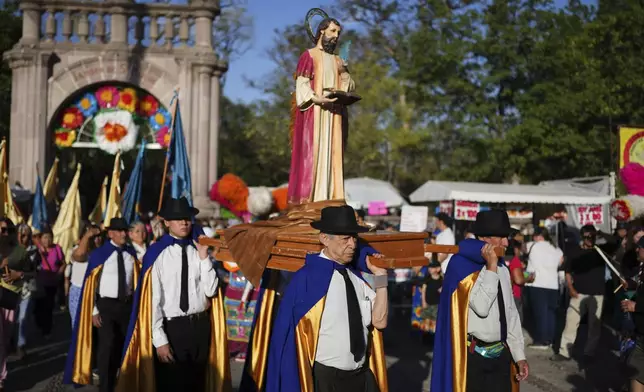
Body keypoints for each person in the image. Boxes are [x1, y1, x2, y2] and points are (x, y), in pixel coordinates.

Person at [266, 205, 389, 392]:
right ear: (324, 239)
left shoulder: (358, 278)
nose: (353, 244)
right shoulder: (306, 280)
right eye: (345, 239)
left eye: (354, 238)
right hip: (326, 380)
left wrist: (381, 278)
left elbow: (380, 322)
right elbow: (286, 341)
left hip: (362, 377)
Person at [117, 197, 231, 392]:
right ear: (167, 222)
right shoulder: (157, 254)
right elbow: (153, 301)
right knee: (173, 384)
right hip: (173, 328)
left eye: (187, 218)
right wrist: (160, 340)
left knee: (198, 383)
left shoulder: (199, 249)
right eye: (178, 219)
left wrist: (204, 258)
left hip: (201, 327)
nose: (184, 222)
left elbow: (211, 290)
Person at [431, 209, 528, 392]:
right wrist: (490, 267)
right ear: (485, 239)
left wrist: (519, 355)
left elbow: (511, 313)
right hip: (472, 357)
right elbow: (482, 307)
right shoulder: (461, 266)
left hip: (501, 355)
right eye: (502, 237)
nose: (507, 243)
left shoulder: (503, 268)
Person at [287, 10, 355, 204]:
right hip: (315, 116)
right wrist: (318, 100)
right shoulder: (308, 56)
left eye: (338, 33)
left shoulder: (337, 60)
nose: (336, 37)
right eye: (333, 31)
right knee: (314, 155)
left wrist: (344, 74)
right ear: (321, 31)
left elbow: (348, 85)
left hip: (334, 116)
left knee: (333, 155)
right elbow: (302, 86)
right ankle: (313, 199)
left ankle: (332, 197)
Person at [63, 218, 138, 392]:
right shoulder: (100, 254)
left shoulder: (130, 253)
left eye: (125, 231)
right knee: (107, 345)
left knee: (122, 345)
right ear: (110, 233)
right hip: (105, 306)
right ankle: (105, 386)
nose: (123, 234)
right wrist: (94, 310)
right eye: (119, 231)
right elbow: (91, 285)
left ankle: (120, 382)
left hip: (126, 306)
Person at [551, 224, 620, 363]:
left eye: (592, 237)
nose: (590, 239)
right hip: (578, 293)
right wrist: (570, 288)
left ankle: (589, 352)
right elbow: (568, 271)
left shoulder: (600, 250)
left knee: (594, 325)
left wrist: (601, 233)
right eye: (587, 237)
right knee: (571, 322)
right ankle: (564, 351)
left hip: (597, 294)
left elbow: (616, 241)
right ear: (582, 237)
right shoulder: (574, 252)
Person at [524, 227, 563, 349]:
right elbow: (561, 262)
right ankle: (550, 340)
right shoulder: (557, 249)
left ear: (538, 236)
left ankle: (541, 341)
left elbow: (522, 249)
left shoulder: (532, 245)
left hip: (537, 284)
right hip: (553, 285)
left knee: (540, 313)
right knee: (551, 314)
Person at [66, 222, 102, 328]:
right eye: (93, 237)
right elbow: (80, 255)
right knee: (80, 329)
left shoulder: (102, 253)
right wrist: (87, 235)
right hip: (80, 292)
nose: (97, 239)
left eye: (98, 236)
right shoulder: (77, 250)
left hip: (98, 294)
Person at [620, 236, 644, 392]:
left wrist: (636, 306)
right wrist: (632, 285)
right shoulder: (642, 269)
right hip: (641, 334)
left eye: (640, 247)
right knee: (635, 372)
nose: (637, 249)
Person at [14, 224, 40, 359]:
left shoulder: (34, 252)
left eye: (24, 235)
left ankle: (21, 344)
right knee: (12, 319)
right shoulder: (9, 250)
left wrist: (22, 274)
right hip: (11, 289)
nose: (21, 238)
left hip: (27, 289)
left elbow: (34, 271)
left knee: (23, 317)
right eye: (19, 234)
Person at [34, 227, 65, 339]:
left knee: (48, 306)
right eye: (45, 237)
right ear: (41, 239)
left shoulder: (57, 248)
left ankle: (47, 330)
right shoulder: (38, 250)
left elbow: (63, 263)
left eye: (49, 237)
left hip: (52, 283)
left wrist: (59, 273)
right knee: (38, 308)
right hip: (39, 283)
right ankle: (41, 324)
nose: (47, 240)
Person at [420, 259, 443, 337]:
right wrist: (423, 302)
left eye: (432, 267)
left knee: (435, 320)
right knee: (426, 319)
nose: (430, 269)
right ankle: (425, 335)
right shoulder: (427, 279)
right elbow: (423, 290)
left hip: (437, 304)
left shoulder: (441, 279)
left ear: (438, 269)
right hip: (427, 302)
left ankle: (434, 336)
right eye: (429, 267)